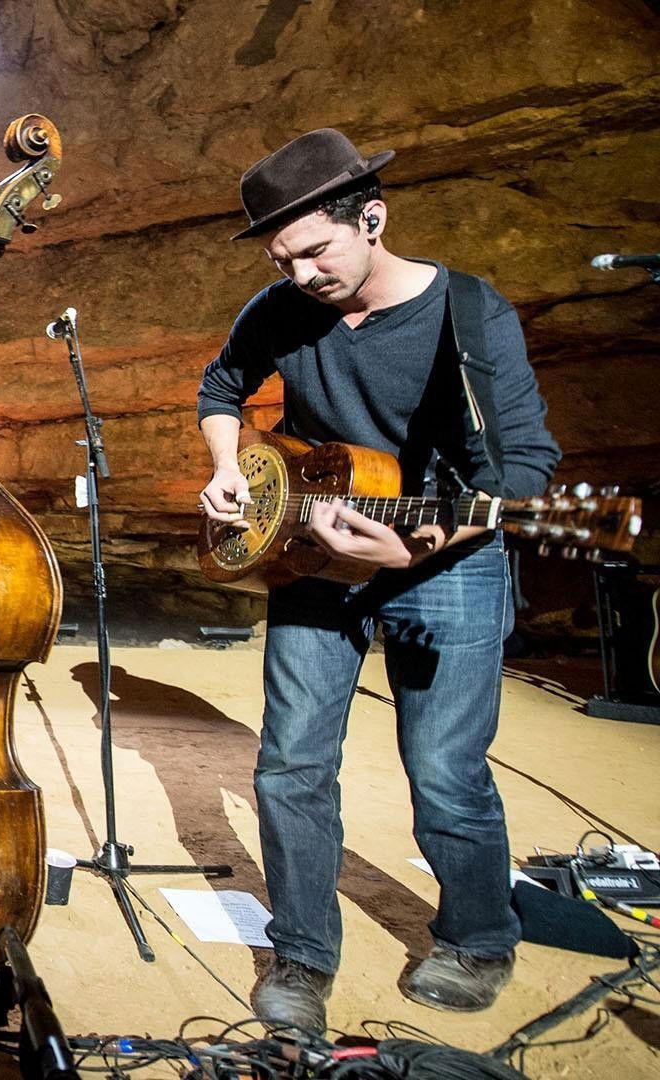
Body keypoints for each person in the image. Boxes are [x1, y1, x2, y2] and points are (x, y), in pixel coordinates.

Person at [196, 129, 561, 1031]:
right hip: (314, 555)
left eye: (316, 250)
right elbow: (221, 386)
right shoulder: (282, 307)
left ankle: (478, 937)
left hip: (442, 556)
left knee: (443, 765)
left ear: (373, 218)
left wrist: (409, 550)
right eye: (284, 260)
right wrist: (229, 465)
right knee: (290, 762)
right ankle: (304, 954)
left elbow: (527, 468)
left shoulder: (470, 314)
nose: (302, 274)